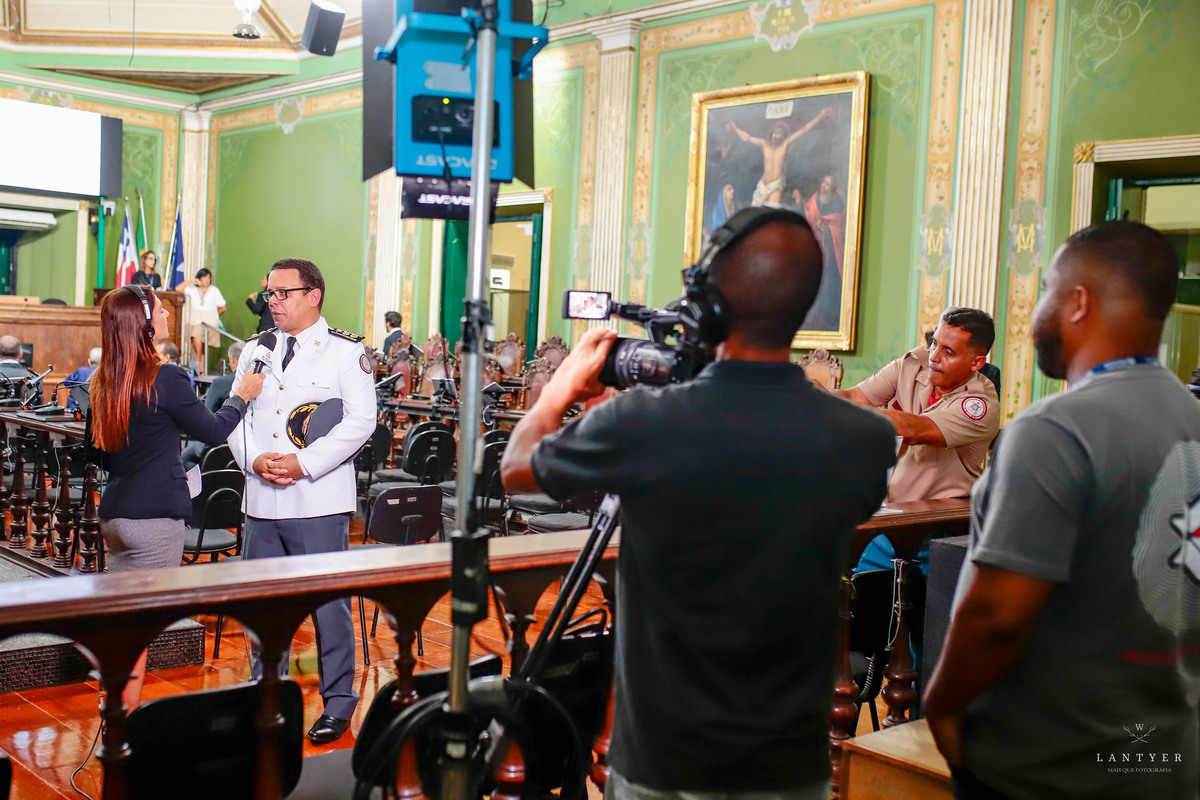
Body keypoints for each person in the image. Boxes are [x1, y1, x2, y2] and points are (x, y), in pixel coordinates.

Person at [500, 207, 896, 798]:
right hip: (790, 763)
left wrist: (562, 389)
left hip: (662, 757)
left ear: (708, 306)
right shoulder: (865, 440)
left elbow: (517, 469)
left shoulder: (638, 421)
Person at [924, 220, 1200, 800]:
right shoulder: (1192, 419)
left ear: (1077, 302)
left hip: (1051, 764)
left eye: (1046, 288)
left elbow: (999, 616)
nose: (1036, 312)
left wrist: (943, 705)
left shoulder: (1054, 430)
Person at [89, 284, 263, 710]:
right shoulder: (164, 377)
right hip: (154, 522)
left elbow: (102, 455)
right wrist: (242, 397)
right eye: (161, 310)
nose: (168, 313)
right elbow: (215, 430)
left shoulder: (103, 379)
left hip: (116, 516)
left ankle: (112, 711)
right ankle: (120, 731)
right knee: (137, 634)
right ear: (145, 323)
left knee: (122, 625)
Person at [227, 257, 375, 745]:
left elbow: (361, 421)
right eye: (270, 293)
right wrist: (254, 461)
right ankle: (264, 690)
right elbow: (238, 420)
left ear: (314, 295)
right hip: (261, 502)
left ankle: (338, 703)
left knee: (329, 607)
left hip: (317, 500)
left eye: (283, 293)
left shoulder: (343, 353)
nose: (273, 301)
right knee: (262, 604)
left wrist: (304, 463)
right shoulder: (255, 350)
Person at [833, 308, 1000, 572]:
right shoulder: (913, 363)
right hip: (892, 517)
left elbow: (915, 429)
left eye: (948, 352)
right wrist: (813, 394)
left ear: (977, 362)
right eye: (935, 342)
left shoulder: (979, 404)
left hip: (938, 529)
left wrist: (825, 407)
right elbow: (853, 397)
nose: (933, 357)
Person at [728, 108, 831, 205]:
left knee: (772, 213)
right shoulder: (765, 144)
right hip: (763, 186)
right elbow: (748, 138)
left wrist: (820, 116)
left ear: (783, 136)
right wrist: (735, 129)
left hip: (776, 185)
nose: (775, 135)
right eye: (774, 133)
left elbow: (804, 130)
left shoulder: (785, 145)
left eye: (778, 133)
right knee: (757, 216)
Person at [180, 341, 244, 469]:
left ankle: (204, 484)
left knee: (184, 456)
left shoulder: (221, 382)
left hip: (217, 443)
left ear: (232, 360)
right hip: (246, 444)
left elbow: (205, 415)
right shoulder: (260, 380)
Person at [798, 175, 847, 331]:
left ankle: (827, 322)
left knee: (827, 287)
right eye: (824, 182)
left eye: (829, 184)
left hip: (831, 258)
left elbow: (839, 226)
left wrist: (827, 229)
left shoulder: (838, 205)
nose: (825, 186)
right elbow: (808, 216)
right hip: (815, 253)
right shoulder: (815, 200)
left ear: (833, 189)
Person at [181, 268, 227, 374]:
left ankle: (201, 370)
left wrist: (214, 315)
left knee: (204, 350)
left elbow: (223, 307)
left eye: (209, 278)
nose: (207, 280)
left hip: (209, 322)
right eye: (204, 277)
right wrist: (190, 281)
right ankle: (198, 362)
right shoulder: (192, 289)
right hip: (196, 320)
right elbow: (178, 289)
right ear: (199, 277)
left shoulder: (214, 290)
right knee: (196, 335)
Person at [64, 347, 101, 412]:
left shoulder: (81, 371)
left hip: (74, 410)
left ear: (89, 361)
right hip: (95, 412)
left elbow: (66, 383)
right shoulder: (106, 373)